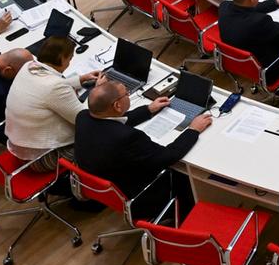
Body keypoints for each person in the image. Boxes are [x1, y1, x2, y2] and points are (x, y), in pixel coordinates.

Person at [74, 77, 209, 218]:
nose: (128, 95)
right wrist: (193, 130)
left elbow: (116, 121)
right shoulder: (127, 137)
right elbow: (169, 156)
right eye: (126, 94)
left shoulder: (83, 117)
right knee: (185, 172)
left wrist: (148, 109)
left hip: (107, 189)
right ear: (117, 106)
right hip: (141, 193)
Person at [6, 36, 102, 166]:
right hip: (41, 159)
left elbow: (45, 86)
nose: (69, 63)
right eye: (70, 58)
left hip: (19, 146)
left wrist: (80, 79)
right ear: (62, 58)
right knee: (101, 139)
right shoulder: (55, 87)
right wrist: (99, 91)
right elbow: (84, 120)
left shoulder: (29, 66)